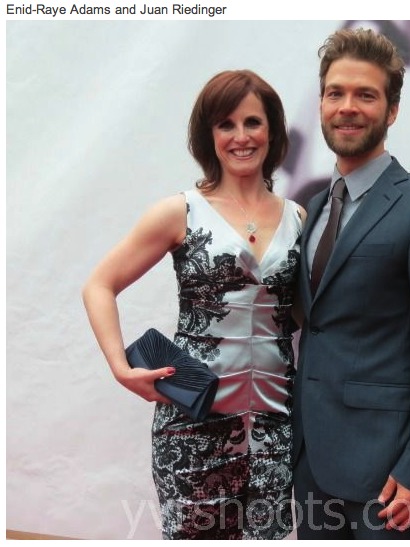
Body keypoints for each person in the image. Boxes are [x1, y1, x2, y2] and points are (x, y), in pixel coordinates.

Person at [82, 69, 306, 540]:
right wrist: (121, 368)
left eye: (253, 122)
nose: (241, 137)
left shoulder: (298, 218)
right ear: (209, 135)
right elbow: (99, 286)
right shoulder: (179, 211)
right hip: (191, 425)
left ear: (273, 130)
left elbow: (303, 315)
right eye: (226, 124)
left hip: (274, 427)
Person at [292, 28, 410, 539]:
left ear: (391, 110)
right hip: (310, 464)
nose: (348, 107)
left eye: (365, 95)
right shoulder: (318, 208)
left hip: (389, 478)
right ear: (323, 103)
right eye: (336, 93)